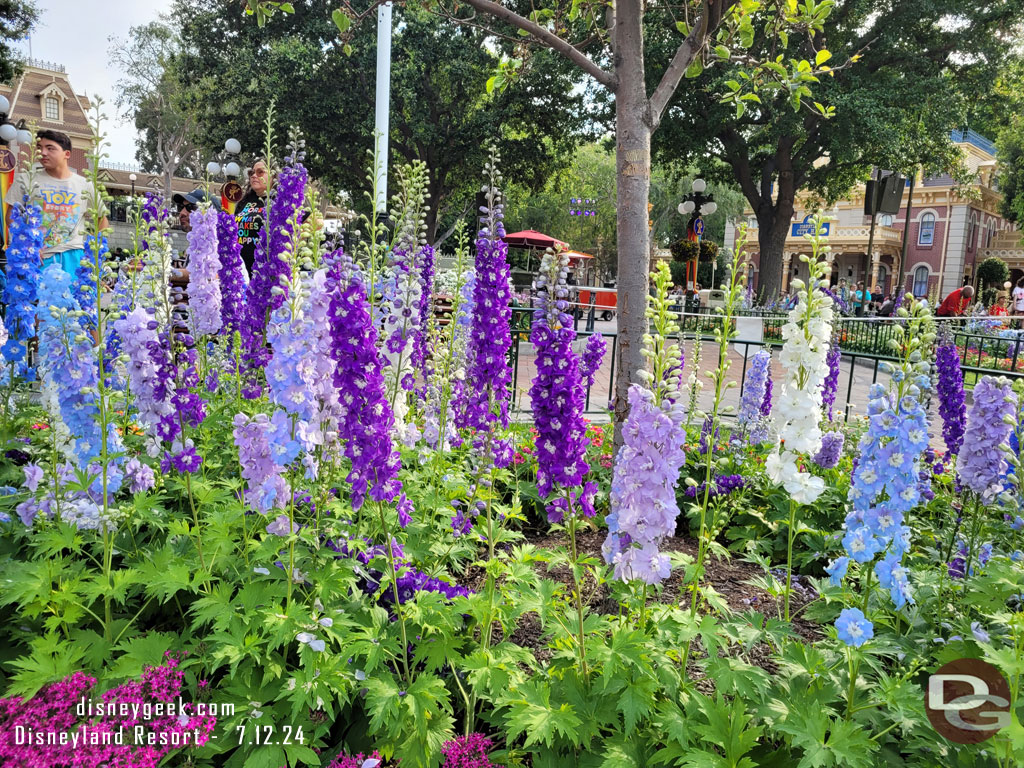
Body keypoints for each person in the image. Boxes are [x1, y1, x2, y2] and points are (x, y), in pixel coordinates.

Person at [4, 130, 108, 276]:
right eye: (39, 147)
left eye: (50, 148)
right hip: (37, 257)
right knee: (36, 298)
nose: (43, 152)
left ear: (67, 154)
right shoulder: (25, 179)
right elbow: (11, 217)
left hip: (74, 256)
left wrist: (93, 254)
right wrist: (29, 245)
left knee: (73, 298)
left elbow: (101, 219)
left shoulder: (85, 185)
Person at [235, 158, 272, 277]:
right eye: (251, 173)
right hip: (239, 270)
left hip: (265, 271)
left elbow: (316, 222)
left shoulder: (280, 201)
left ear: (273, 176)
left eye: (260, 172)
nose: (254, 176)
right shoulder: (244, 202)